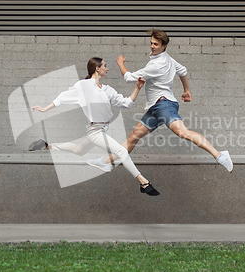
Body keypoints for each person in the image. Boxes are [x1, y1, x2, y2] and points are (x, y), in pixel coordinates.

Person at [87, 29, 234, 173]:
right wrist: (186, 91)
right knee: (133, 137)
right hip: (156, 108)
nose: (152, 46)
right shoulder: (167, 58)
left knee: (183, 133)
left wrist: (119, 62)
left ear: (164, 46)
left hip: (164, 105)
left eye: (156, 44)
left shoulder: (156, 65)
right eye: (151, 43)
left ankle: (220, 155)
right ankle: (106, 162)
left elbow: (129, 78)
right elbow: (183, 70)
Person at [29, 57, 160, 196]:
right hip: (94, 131)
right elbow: (62, 98)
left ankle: (46, 145)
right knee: (122, 151)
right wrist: (44, 109)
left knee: (77, 149)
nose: (107, 68)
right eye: (105, 65)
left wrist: (137, 88)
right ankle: (143, 182)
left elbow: (126, 103)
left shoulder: (108, 90)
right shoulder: (83, 86)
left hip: (102, 129)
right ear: (97, 68)